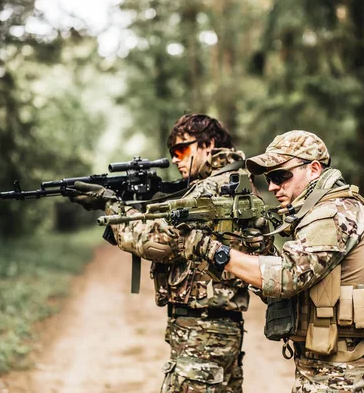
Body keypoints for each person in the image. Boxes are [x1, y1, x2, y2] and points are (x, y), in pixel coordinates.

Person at [70, 113, 267, 393]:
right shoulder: (239, 183)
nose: (175, 158)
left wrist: (111, 205)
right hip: (223, 329)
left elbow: (158, 242)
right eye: (172, 152)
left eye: (181, 149)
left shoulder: (209, 189)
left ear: (207, 145)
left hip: (201, 332)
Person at [183, 130, 364, 393]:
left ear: (313, 169)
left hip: (341, 370)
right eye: (269, 178)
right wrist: (260, 245)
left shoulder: (334, 213)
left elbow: (287, 278)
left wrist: (214, 251)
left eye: (280, 176)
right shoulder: (319, 213)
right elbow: (286, 287)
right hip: (325, 365)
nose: (273, 186)